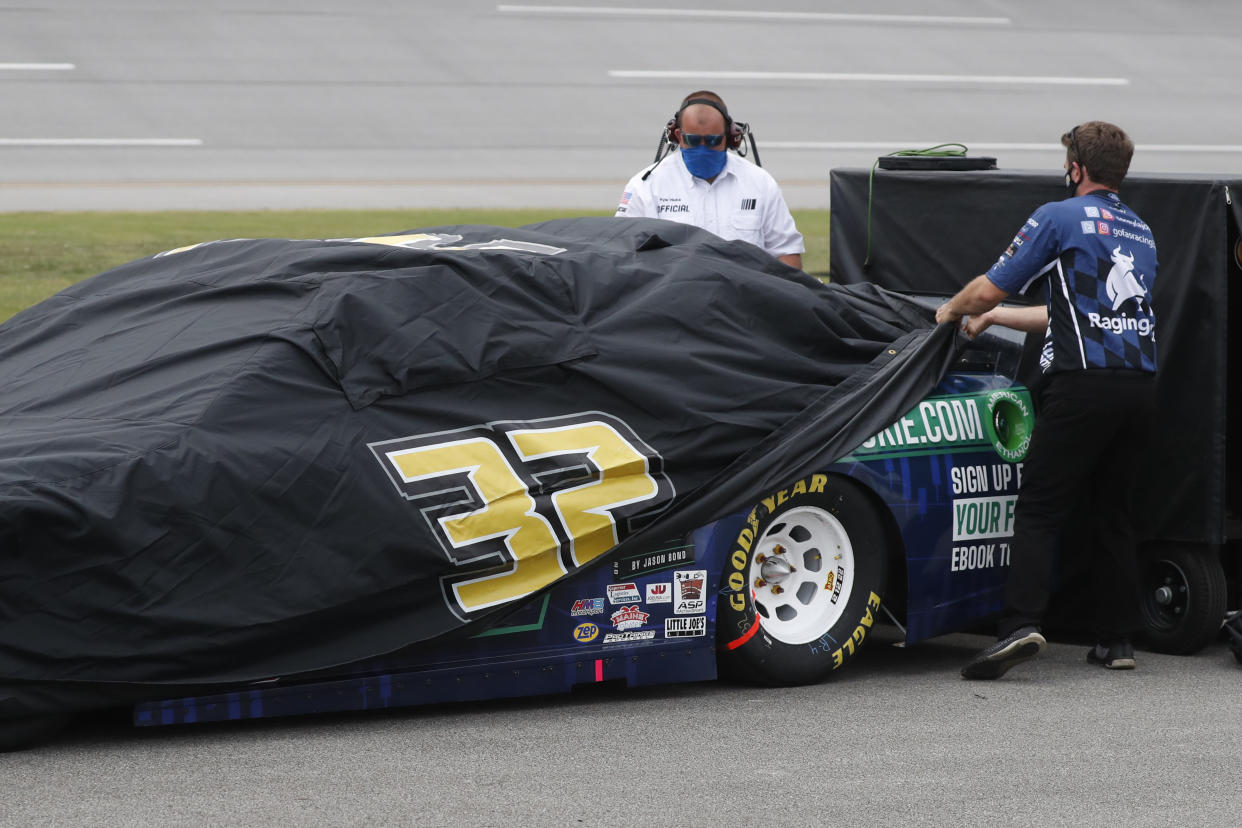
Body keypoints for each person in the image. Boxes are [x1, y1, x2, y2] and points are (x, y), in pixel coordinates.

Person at [934, 121, 1158, 680]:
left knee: (1038, 505)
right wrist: (993, 319)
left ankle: (1020, 624)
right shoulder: (1141, 231)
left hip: (1082, 382)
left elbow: (990, 285)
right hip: (1140, 383)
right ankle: (1117, 640)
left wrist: (954, 310)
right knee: (1113, 513)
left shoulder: (1058, 216)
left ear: (1076, 168)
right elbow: (1068, 315)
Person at [615, 91, 805, 269]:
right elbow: (622, 254)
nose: (703, 148)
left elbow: (787, 253)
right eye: (694, 140)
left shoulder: (760, 183)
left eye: (713, 140)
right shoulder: (645, 186)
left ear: (730, 138)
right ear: (679, 137)